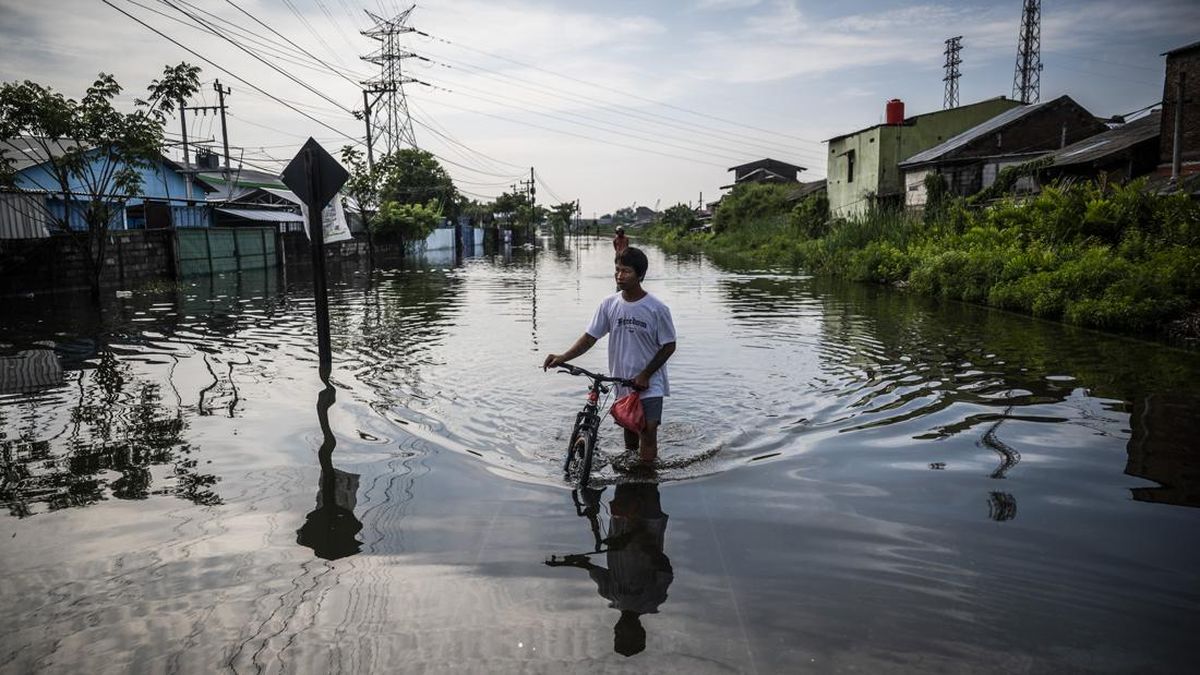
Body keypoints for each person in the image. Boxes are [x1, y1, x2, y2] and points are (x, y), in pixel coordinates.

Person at [543, 247, 676, 465]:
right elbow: (589, 338)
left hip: (650, 382)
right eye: (617, 270)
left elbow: (669, 346)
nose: (620, 275)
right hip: (621, 380)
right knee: (630, 427)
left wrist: (645, 374)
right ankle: (630, 472)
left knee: (648, 431)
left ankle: (647, 479)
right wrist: (563, 357)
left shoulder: (656, 309)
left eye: (626, 271)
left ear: (640, 275)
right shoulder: (609, 304)